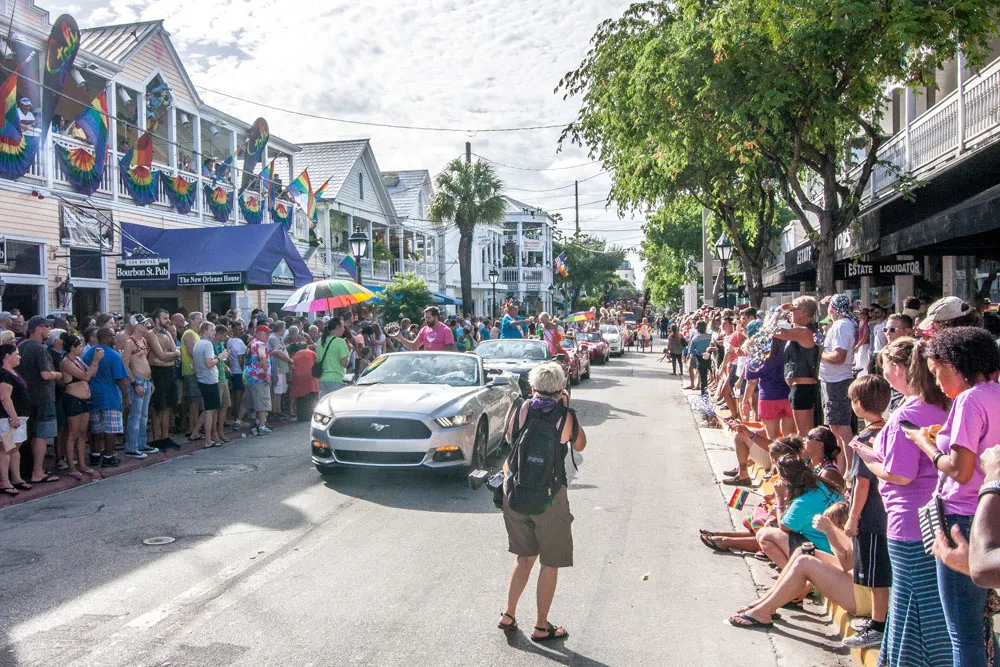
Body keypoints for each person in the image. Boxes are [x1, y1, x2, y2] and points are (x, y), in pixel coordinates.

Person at [854, 336, 953, 666]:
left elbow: (900, 474)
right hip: (939, 517)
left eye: (884, 365)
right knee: (921, 608)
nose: (882, 372)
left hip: (909, 523)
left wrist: (869, 459)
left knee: (913, 608)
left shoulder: (909, 413)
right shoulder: (945, 404)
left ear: (898, 368)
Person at [905, 326, 1000, 666]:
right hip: (990, 512)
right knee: (982, 627)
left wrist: (925, 445)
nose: (937, 381)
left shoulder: (969, 399)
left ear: (955, 364)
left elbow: (960, 470)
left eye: (938, 372)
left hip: (963, 518)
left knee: (963, 632)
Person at [497, 362, 587, 642]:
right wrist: (568, 407)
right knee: (550, 562)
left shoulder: (522, 407)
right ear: (561, 388)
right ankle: (540, 626)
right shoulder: (564, 416)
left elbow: (510, 439)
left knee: (524, 558)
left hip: (516, 492)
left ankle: (508, 614)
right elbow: (580, 445)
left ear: (533, 386)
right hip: (550, 497)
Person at [729, 502, 854, 629]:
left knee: (804, 561)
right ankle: (766, 602)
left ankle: (763, 612)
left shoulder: (859, 531)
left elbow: (847, 565)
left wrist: (830, 530)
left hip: (859, 595)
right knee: (803, 551)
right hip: (854, 582)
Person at [841, 375, 892, 649]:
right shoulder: (888, 431)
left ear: (858, 404)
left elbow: (862, 483)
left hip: (871, 517)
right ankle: (878, 620)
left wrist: (853, 518)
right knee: (880, 573)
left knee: (875, 576)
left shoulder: (866, 438)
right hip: (885, 514)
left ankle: (878, 625)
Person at [755, 455, 842, 568]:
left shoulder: (802, 502)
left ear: (785, 480)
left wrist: (779, 496)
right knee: (770, 523)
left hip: (824, 552)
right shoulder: (822, 484)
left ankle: (795, 574)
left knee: (763, 535)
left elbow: (783, 525)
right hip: (838, 547)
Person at [17, 316, 60, 483]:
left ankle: (26, 470)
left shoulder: (21, 346)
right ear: (37, 328)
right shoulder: (39, 348)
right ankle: (37, 471)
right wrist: (58, 374)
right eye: (46, 326)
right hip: (42, 397)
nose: (49, 329)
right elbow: (45, 374)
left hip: (25, 398)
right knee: (41, 436)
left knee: (28, 436)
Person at [772, 296, 821, 436]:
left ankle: (807, 452)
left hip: (802, 388)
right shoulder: (801, 331)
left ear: (803, 312)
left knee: (804, 433)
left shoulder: (804, 332)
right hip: (800, 387)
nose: (790, 312)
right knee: (807, 431)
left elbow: (772, 330)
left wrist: (779, 310)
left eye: (793, 309)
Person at [82, 327, 129, 468]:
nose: (115, 338)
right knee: (111, 429)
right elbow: (120, 378)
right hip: (110, 395)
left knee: (96, 428)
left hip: (92, 394)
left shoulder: (88, 353)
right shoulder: (114, 355)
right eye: (113, 335)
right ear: (106, 337)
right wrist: (126, 396)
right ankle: (108, 456)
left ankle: (95, 455)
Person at [820, 294, 857, 468]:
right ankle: (841, 469)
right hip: (833, 381)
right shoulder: (842, 325)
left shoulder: (841, 326)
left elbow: (839, 357)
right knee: (835, 428)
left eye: (829, 306)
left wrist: (820, 353)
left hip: (837, 381)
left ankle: (849, 470)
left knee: (842, 428)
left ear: (834, 309)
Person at [58, 334, 100, 479]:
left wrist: (96, 362)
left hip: (84, 400)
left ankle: (82, 464)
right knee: (73, 434)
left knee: (82, 434)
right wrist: (95, 360)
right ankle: (71, 466)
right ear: (72, 347)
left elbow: (92, 373)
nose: (82, 348)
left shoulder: (78, 360)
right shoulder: (66, 362)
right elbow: (85, 377)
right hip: (73, 399)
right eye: (80, 346)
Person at [122, 315, 157, 459]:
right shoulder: (129, 343)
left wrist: (150, 380)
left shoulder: (143, 340)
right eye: (143, 323)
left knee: (144, 415)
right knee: (135, 416)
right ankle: (131, 447)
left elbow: (144, 361)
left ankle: (142, 443)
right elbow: (125, 365)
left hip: (146, 381)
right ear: (136, 325)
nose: (147, 325)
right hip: (137, 381)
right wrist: (134, 383)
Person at [145, 309, 181, 449]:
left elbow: (176, 352)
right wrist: (171, 356)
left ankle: (165, 436)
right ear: (157, 319)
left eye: (168, 317)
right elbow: (160, 355)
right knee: (158, 406)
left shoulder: (167, 333)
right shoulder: (151, 334)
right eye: (165, 318)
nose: (168, 320)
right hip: (157, 373)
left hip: (170, 372)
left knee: (168, 405)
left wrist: (169, 356)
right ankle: (156, 437)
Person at [0, 344, 33, 495]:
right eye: (16, 354)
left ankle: (16, 478)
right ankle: (4, 481)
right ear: (7, 356)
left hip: (20, 417)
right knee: (6, 448)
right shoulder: (4, 375)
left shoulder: (13, 373)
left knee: (15, 448)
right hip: (7, 419)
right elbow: (5, 398)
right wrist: (13, 417)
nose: (19, 356)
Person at [192, 322, 226, 447]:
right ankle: (208, 440)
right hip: (209, 380)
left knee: (208, 409)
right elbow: (209, 363)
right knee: (210, 411)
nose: (214, 332)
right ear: (205, 330)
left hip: (202, 378)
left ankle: (197, 433)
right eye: (212, 330)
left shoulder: (198, 343)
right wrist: (220, 357)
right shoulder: (207, 344)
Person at [244, 325, 273, 435]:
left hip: (250, 377)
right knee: (262, 401)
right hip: (259, 377)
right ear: (260, 334)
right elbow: (262, 357)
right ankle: (262, 426)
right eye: (266, 334)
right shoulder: (260, 344)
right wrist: (265, 371)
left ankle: (256, 423)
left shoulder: (251, 343)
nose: (268, 336)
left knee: (253, 402)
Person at [180, 312, 204, 440]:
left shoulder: (196, 334)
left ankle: (195, 428)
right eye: (199, 319)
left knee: (197, 400)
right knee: (195, 400)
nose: (201, 321)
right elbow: (191, 352)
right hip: (191, 370)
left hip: (196, 370)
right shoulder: (189, 333)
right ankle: (192, 428)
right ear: (191, 320)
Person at [392, 307, 456, 352]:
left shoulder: (446, 330)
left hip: (440, 363)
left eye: (428, 318)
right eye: (425, 318)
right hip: (427, 362)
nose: (426, 321)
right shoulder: (424, 329)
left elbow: (450, 351)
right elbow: (414, 346)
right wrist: (401, 339)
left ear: (436, 317)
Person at [316, 318, 350, 397]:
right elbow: (344, 363)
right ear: (337, 327)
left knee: (325, 403)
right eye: (343, 327)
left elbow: (318, 359)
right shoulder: (341, 342)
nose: (344, 329)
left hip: (322, 379)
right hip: (337, 379)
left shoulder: (320, 341)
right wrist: (348, 354)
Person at [288, 343, 318, 422]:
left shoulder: (294, 357)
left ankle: (300, 416)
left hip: (299, 380)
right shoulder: (311, 352)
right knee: (313, 397)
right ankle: (314, 415)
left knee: (300, 399)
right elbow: (318, 361)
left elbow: (292, 367)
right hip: (311, 378)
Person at [226, 320, 247, 429]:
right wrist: (244, 371)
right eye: (239, 329)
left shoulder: (229, 341)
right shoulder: (238, 342)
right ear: (233, 329)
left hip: (233, 371)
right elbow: (240, 358)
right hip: (239, 371)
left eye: (242, 329)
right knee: (239, 396)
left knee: (234, 396)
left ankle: (232, 416)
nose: (241, 331)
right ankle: (238, 418)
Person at [687, 321, 713, 395]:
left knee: (703, 378)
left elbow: (691, 350)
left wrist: (692, 356)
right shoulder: (710, 336)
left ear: (697, 328)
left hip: (700, 359)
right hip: (710, 357)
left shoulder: (695, 338)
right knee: (713, 375)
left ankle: (704, 394)